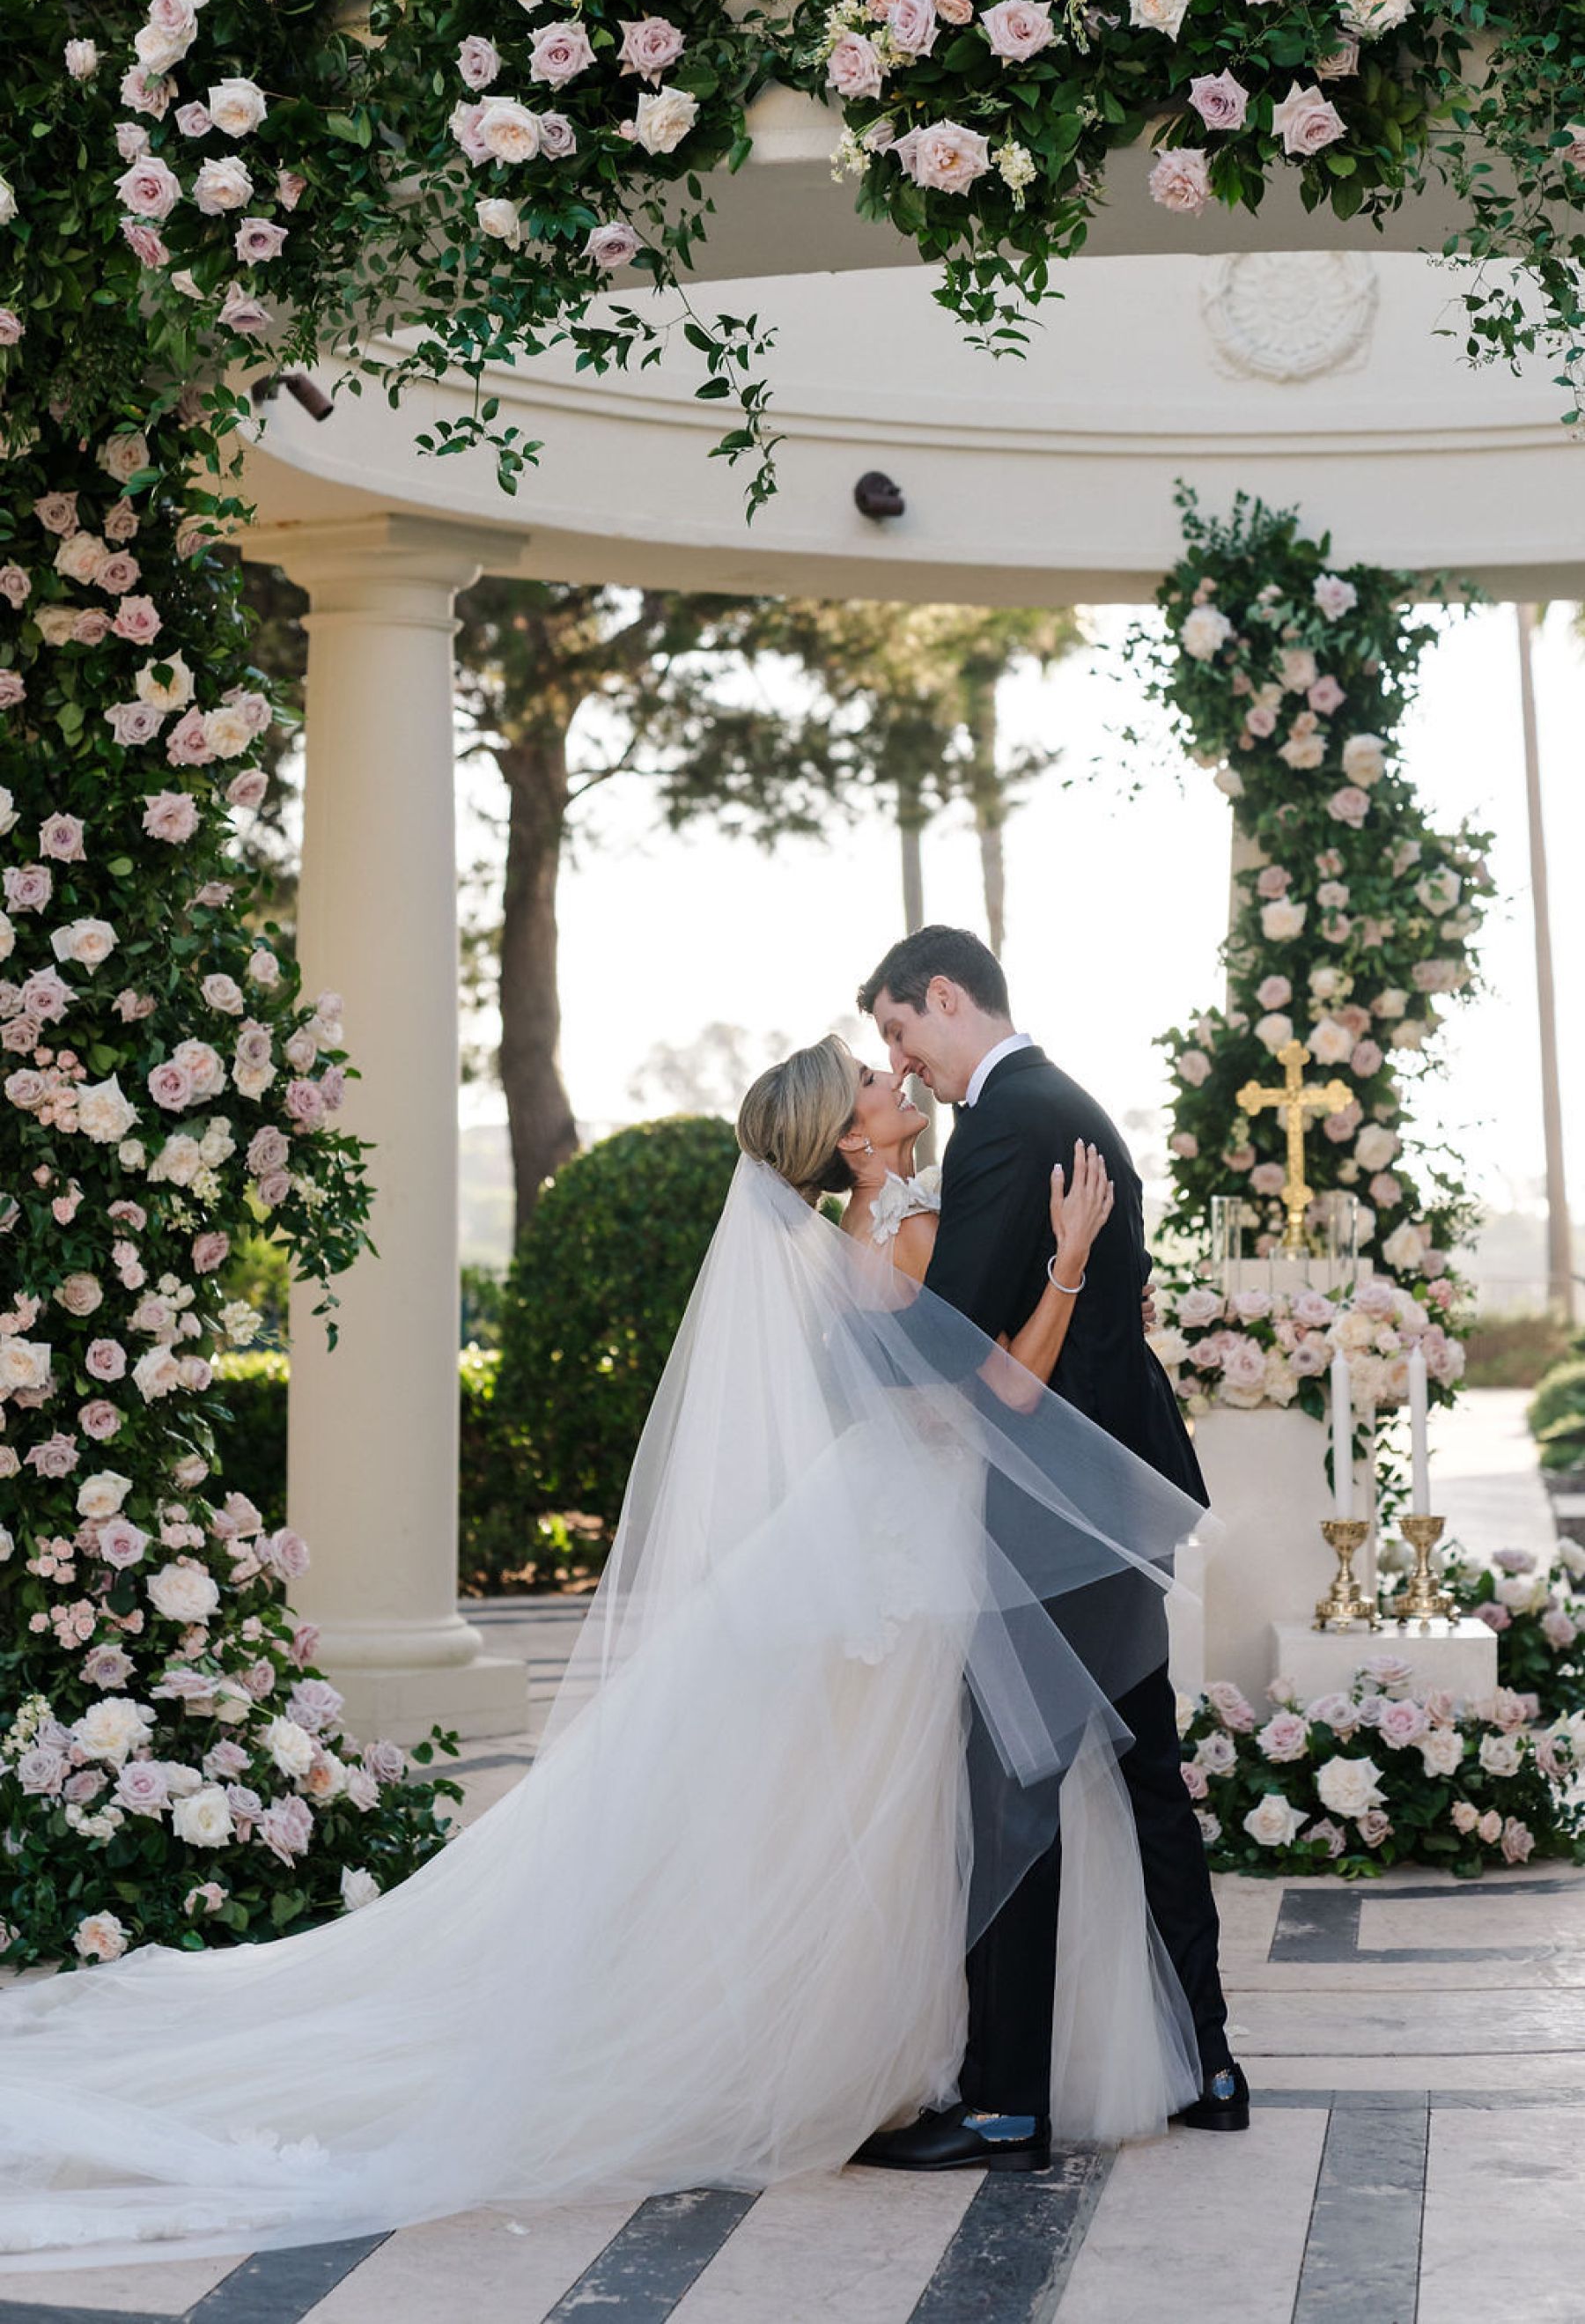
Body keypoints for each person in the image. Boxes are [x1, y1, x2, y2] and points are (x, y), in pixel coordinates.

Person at [0, 1037, 1207, 2276]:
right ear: (852, 1144)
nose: (897, 1081)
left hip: (886, 1539)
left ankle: (940, 2055)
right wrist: (1065, 1267)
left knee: (885, 1809)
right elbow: (996, 1398)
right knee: (903, 1809)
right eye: (871, 1083)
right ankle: (897, 2055)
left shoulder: (880, 1229)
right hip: (907, 1562)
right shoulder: (897, 1239)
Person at [851, 926, 1246, 2177]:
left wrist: (824, 1352)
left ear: (949, 998)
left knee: (1011, 1789)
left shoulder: (1010, 1122)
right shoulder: (1050, 1104)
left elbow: (949, 1333)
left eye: (902, 1031)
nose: (900, 1063)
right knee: (1145, 1781)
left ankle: (1006, 2104)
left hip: (1057, 1516)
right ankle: (1211, 2064)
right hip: (1112, 1504)